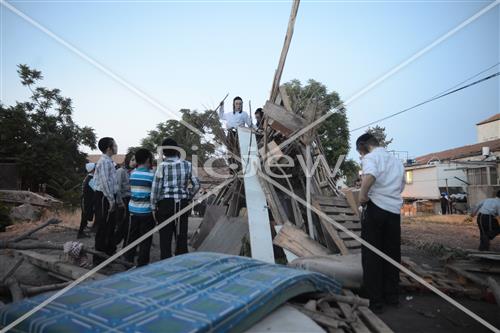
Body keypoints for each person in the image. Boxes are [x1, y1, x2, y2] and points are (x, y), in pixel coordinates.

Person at [357, 133, 405, 313]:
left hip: (376, 209)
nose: (360, 156)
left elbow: (370, 175)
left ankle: (375, 300)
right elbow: (401, 186)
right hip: (394, 211)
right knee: (392, 253)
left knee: (372, 255)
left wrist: (362, 196)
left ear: (363, 146)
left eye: (359, 152)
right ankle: (392, 296)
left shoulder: (371, 157)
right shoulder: (396, 160)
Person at [151, 138, 200, 259]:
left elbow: (155, 188)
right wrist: (188, 196)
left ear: (164, 152)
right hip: (182, 203)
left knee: (165, 236)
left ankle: (165, 262)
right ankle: (181, 263)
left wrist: (153, 206)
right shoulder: (188, 165)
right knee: (181, 235)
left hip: (165, 204)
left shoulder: (161, 166)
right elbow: (197, 185)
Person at [93, 137, 122, 266]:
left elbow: (114, 183)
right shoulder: (103, 162)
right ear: (109, 148)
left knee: (110, 226)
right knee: (103, 226)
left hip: (110, 196)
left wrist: (118, 199)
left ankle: (109, 254)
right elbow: (104, 183)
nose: (117, 147)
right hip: (104, 197)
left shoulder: (110, 162)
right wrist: (110, 199)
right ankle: (98, 258)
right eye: (115, 145)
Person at [125, 148, 155, 266]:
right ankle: (142, 263)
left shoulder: (133, 174)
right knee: (145, 239)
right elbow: (153, 195)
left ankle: (128, 260)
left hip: (133, 210)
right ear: (148, 159)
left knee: (132, 236)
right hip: (146, 211)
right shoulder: (151, 175)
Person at [114, 151, 136, 247]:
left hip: (131, 200)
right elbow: (117, 188)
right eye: (132, 160)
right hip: (123, 201)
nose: (134, 162)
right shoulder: (121, 171)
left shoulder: (133, 172)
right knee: (122, 226)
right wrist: (120, 202)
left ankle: (126, 247)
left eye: (136, 160)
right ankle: (112, 246)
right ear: (127, 160)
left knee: (129, 226)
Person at [77, 162, 96, 239]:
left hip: (85, 200)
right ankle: (80, 233)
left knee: (85, 216)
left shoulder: (87, 177)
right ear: (92, 170)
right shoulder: (91, 179)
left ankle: (81, 232)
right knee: (85, 217)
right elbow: (96, 190)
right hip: (87, 201)